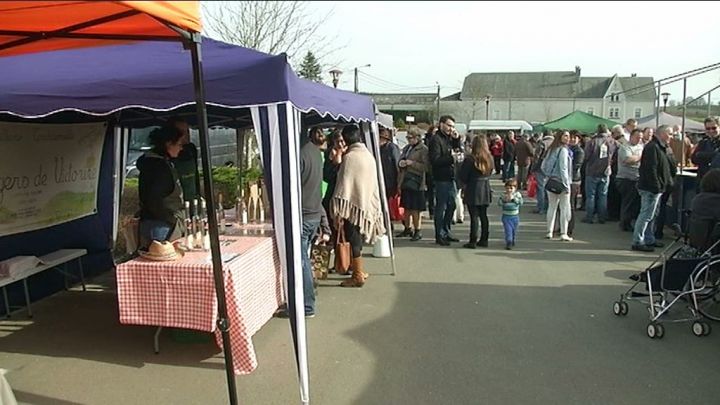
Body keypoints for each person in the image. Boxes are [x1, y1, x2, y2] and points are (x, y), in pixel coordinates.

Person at [331, 125, 385, 287]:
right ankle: (359, 270)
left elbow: (343, 186)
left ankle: (357, 274)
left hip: (352, 206)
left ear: (347, 139)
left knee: (353, 238)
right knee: (357, 240)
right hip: (365, 203)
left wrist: (338, 211)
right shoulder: (368, 155)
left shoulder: (350, 157)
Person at [136, 126, 187, 250]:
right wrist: (171, 220)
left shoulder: (152, 162)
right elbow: (153, 199)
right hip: (162, 226)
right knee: (164, 264)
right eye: (179, 144)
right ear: (169, 144)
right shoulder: (160, 168)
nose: (181, 148)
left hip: (152, 223)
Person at [296, 126, 328, 317]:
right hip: (314, 213)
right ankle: (304, 298)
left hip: (304, 214)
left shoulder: (300, 154)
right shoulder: (315, 153)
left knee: (301, 261)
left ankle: (307, 305)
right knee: (303, 258)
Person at [632, 125, 675, 252]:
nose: (671, 137)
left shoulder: (661, 147)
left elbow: (668, 165)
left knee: (652, 215)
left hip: (657, 187)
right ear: (662, 134)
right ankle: (638, 240)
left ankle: (649, 238)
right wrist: (657, 186)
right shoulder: (653, 147)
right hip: (651, 188)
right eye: (670, 134)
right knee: (646, 214)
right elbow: (651, 169)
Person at [428, 115, 462, 246]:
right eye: (448, 125)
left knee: (452, 205)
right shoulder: (436, 140)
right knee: (441, 207)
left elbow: (457, 150)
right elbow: (435, 160)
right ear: (441, 124)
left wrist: (457, 140)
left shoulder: (450, 138)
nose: (451, 128)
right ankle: (439, 234)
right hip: (441, 178)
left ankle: (446, 231)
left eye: (453, 126)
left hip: (451, 177)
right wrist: (451, 159)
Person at [458, 135, 494, 249]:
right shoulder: (489, 157)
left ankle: (473, 240)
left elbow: (463, 176)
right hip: (485, 186)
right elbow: (491, 171)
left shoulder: (470, 159)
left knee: (474, 216)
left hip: (473, 187)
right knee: (484, 215)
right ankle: (484, 239)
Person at [397, 126, 429, 241]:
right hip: (405, 180)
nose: (409, 140)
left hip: (417, 181)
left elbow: (426, 167)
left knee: (415, 209)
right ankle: (407, 228)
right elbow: (400, 159)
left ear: (417, 138)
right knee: (406, 207)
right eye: (407, 137)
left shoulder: (423, 149)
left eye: (411, 138)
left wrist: (412, 163)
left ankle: (417, 230)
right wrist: (401, 163)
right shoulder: (407, 148)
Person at [541, 130, 573, 241]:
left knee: (552, 207)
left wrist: (548, 175)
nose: (568, 138)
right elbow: (563, 168)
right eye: (565, 136)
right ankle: (564, 232)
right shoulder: (563, 150)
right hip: (561, 182)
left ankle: (549, 231)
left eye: (568, 136)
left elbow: (543, 165)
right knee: (564, 208)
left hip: (551, 181)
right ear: (560, 137)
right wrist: (566, 184)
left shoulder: (551, 149)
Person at [582, 124, 617, 224]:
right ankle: (602, 217)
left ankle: (589, 217)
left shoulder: (592, 142)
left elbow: (586, 156)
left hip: (592, 171)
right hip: (606, 172)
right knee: (603, 196)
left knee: (591, 196)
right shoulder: (612, 142)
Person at [166, 117, 201, 207]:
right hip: (177, 204)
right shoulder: (168, 152)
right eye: (182, 132)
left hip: (193, 200)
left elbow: (195, 175)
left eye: (187, 131)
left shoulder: (191, 149)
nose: (186, 135)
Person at [615, 128, 643, 232]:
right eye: (637, 137)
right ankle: (624, 223)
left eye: (640, 138)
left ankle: (628, 222)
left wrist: (636, 157)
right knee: (627, 202)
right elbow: (627, 160)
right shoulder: (625, 147)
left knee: (634, 203)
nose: (638, 140)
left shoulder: (640, 147)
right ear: (631, 137)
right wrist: (639, 157)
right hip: (625, 179)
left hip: (637, 178)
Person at [379, 127, 401, 221]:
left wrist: (399, 182)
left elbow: (397, 164)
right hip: (384, 180)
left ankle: (407, 225)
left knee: (393, 203)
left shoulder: (392, 148)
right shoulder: (380, 149)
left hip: (391, 181)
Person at [530, 130, 554, 214]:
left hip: (541, 169)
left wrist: (533, 169)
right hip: (552, 169)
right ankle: (548, 207)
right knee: (549, 189)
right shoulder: (555, 144)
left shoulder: (542, 143)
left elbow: (537, 157)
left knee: (541, 188)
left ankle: (541, 207)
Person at [691, 117, 720, 182]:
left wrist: (702, 155)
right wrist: (712, 155)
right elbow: (694, 159)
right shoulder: (703, 142)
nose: (711, 131)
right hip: (703, 180)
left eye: (714, 128)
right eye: (708, 128)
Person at [567, 130, 585, 236]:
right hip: (566, 179)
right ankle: (562, 225)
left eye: (575, 138)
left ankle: (570, 227)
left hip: (574, 180)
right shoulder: (566, 149)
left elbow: (576, 166)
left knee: (570, 204)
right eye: (571, 137)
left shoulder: (579, 151)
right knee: (564, 204)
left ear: (579, 139)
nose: (573, 140)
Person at [498, 179, 523, 250]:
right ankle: (509, 242)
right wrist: (504, 201)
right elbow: (499, 203)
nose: (509, 190)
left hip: (515, 216)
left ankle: (513, 239)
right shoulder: (503, 195)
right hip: (506, 216)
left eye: (511, 188)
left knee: (514, 230)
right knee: (508, 230)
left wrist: (514, 199)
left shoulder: (517, 195)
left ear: (515, 188)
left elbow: (521, 202)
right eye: (507, 188)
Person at [423, 125, 437, 218]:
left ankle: (433, 211)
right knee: (430, 192)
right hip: (429, 170)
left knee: (433, 192)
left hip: (435, 170)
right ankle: (431, 210)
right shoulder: (427, 142)